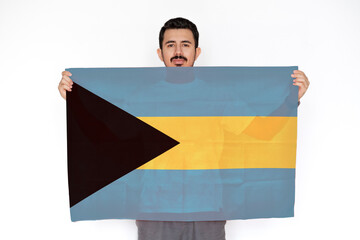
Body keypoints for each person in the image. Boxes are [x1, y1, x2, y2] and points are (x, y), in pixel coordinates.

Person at [58, 17, 310, 240]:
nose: (178, 51)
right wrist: (76, 101)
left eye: (185, 44)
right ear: (160, 53)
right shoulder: (141, 97)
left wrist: (291, 99)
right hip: (154, 212)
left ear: (197, 52)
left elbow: (261, 132)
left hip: (207, 210)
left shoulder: (218, 96)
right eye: (171, 45)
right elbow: (107, 136)